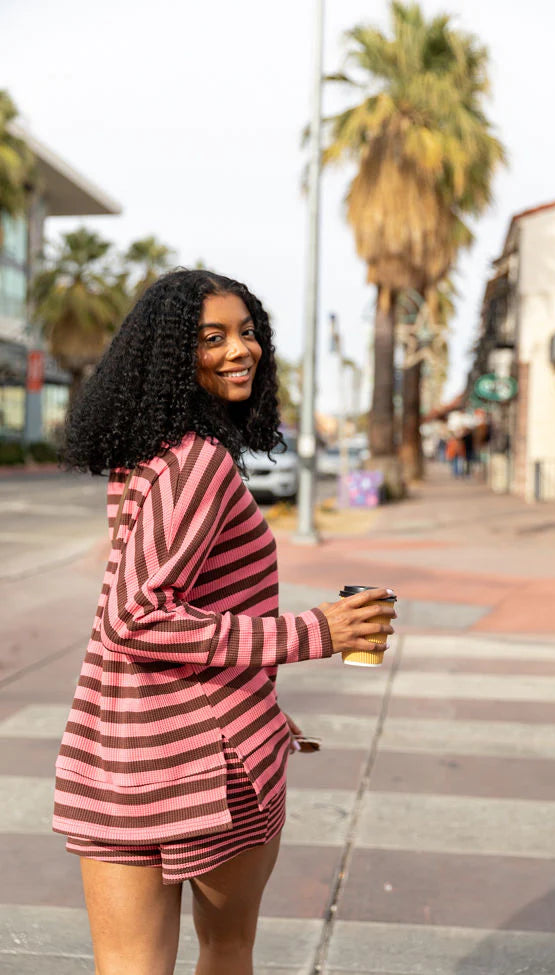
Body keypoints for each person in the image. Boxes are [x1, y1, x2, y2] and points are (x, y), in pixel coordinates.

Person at [52, 269, 397, 975]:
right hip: (213, 763)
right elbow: (138, 618)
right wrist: (317, 631)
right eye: (213, 338)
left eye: (248, 333)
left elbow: (132, 612)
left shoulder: (146, 456)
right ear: (174, 355)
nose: (241, 350)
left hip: (119, 753)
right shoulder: (199, 461)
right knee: (228, 947)